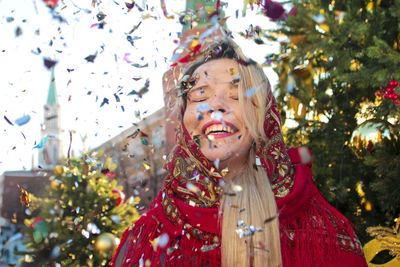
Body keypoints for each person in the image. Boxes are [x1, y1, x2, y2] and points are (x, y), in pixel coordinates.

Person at [111, 38, 368, 267]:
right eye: (201, 95)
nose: (216, 106)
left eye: (236, 94)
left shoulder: (320, 230)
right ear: (182, 117)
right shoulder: (148, 237)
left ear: (263, 116)